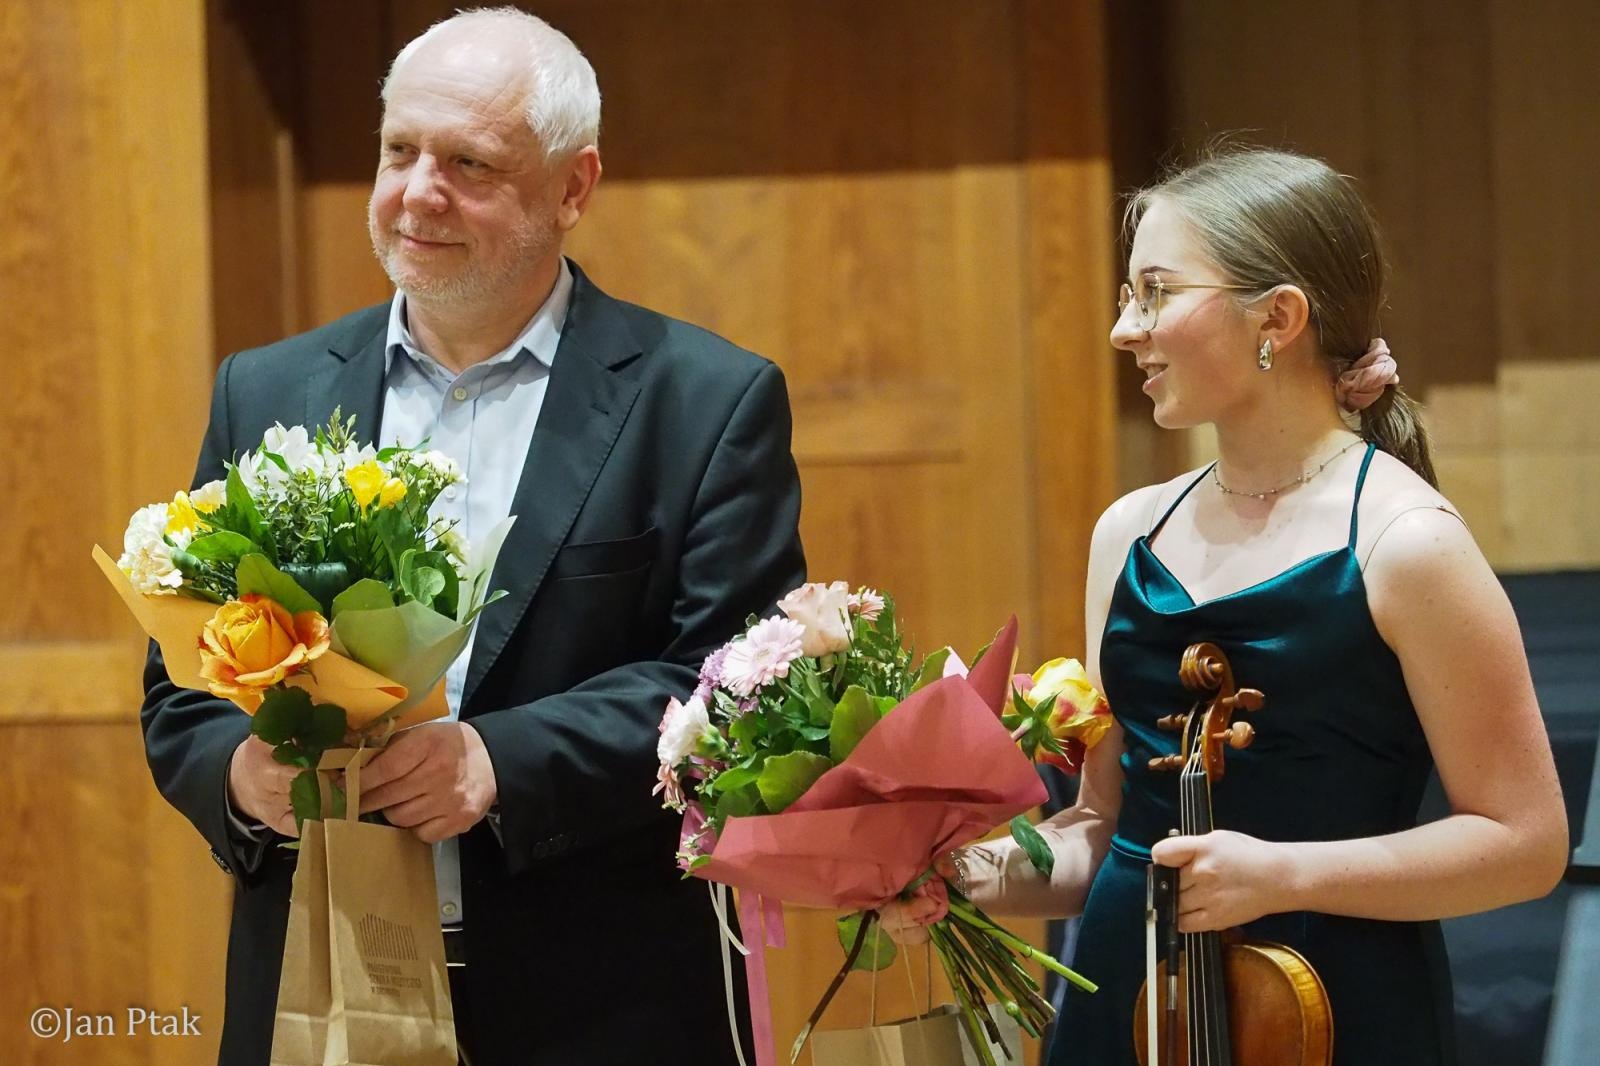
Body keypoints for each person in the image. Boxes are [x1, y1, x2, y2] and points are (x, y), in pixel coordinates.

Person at [139, 8, 804, 1065]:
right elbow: (179, 686)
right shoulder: (264, 390)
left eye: (469, 164)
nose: (417, 193)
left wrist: (501, 758)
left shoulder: (705, 400)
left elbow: (733, 689)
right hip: (318, 982)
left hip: (599, 995)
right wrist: (241, 777)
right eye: (399, 151)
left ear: (573, 188)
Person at [882, 146, 1567, 1065]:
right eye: (1129, 295)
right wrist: (949, 875)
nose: (1126, 328)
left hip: (1330, 1007)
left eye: (1155, 292)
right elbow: (1106, 831)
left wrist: (1284, 873)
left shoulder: (1406, 542)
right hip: (1132, 1005)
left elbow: (1526, 844)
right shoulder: (1128, 534)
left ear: (1276, 318)